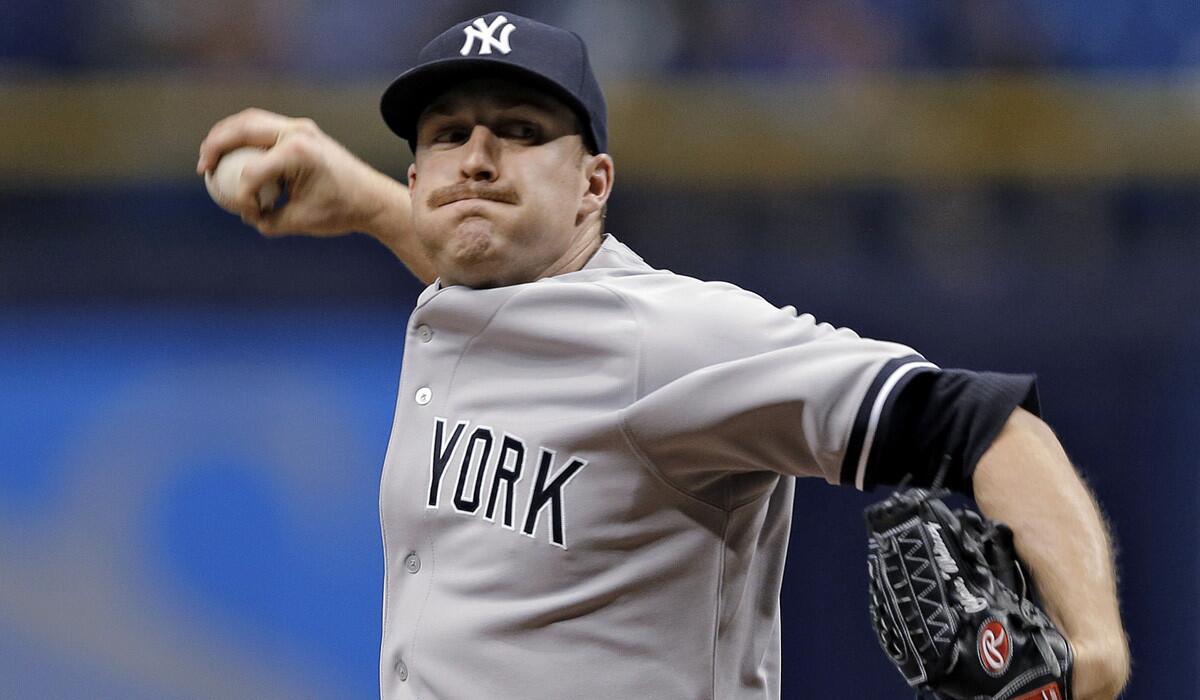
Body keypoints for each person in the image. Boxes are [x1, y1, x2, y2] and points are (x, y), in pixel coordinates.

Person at [197, 12, 1129, 700]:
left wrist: (1094, 650)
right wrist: (360, 199)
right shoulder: (470, 296)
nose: (476, 159)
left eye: (520, 133)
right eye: (448, 138)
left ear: (593, 186)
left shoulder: (673, 341)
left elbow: (983, 422)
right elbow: (484, 264)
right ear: (415, 177)